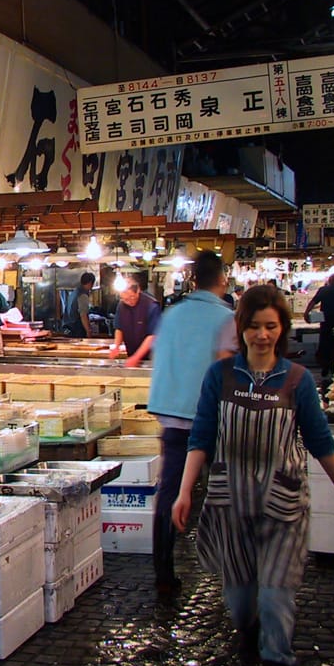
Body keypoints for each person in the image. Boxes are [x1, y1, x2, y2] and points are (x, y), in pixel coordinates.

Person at [172, 286, 334, 666]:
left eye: (270, 326)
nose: (262, 335)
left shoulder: (297, 381)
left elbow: (320, 440)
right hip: (232, 504)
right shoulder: (220, 377)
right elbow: (201, 437)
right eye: (254, 326)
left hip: (284, 507)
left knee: (276, 596)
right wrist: (184, 492)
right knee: (240, 600)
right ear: (241, 329)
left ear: (282, 328)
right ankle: (248, 630)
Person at [147, 251, 237, 595]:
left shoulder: (172, 314)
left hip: (172, 416)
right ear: (222, 280)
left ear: (193, 280)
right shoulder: (227, 318)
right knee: (227, 492)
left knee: (169, 492)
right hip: (212, 419)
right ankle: (236, 571)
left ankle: (163, 573)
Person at [109, 274, 161, 366]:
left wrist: (137, 357)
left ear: (138, 291)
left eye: (132, 297)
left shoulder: (151, 305)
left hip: (152, 356)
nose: (130, 301)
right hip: (131, 352)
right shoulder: (121, 306)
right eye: (125, 299)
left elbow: (152, 336)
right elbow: (119, 328)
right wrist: (116, 346)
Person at [65, 272, 96, 338]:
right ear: (90, 283)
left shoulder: (74, 292)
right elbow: (83, 315)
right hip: (77, 330)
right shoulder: (82, 295)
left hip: (69, 328)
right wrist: (88, 331)